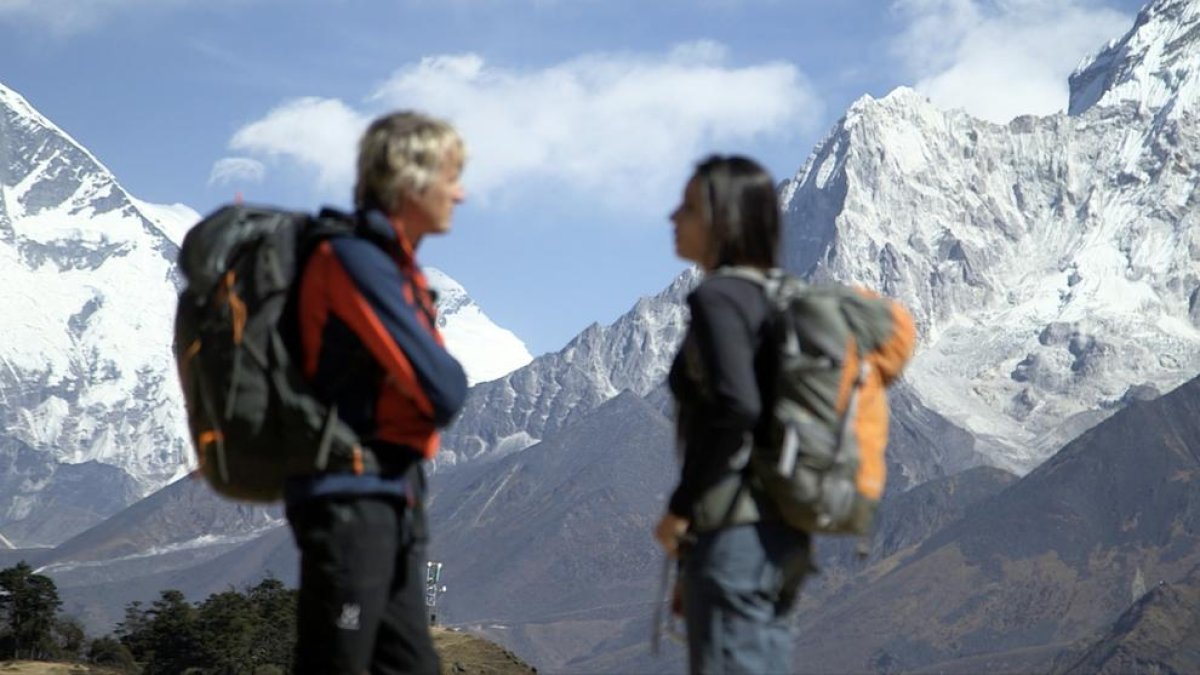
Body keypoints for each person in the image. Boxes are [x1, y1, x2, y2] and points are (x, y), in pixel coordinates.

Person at [285, 111, 469, 674]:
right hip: (351, 501)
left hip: (389, 500)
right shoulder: (353, 261)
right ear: (410, 182)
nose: (460, 194)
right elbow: (442, 389)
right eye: (451, 176)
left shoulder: (391, 267)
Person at [655, 155, 812, 674]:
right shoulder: (777, 297)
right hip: (779, 534)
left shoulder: (720, 296)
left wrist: (682, 505)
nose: (672, 218)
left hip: (733, 531)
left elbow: (736, 405)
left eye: (688, 207)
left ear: (723, 220)